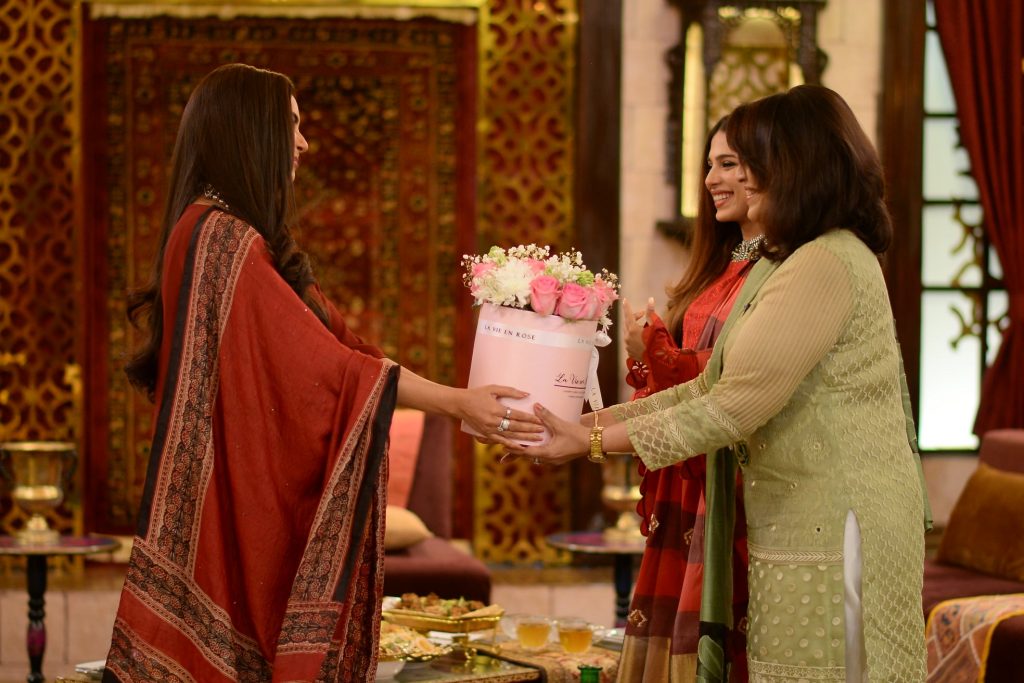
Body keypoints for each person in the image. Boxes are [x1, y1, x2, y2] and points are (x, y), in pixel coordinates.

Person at [103, 63, 540, 683]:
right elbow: (330, 373)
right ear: (249, 132)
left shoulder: (217, 233)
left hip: (215, 511)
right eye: (291, 125)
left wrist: (464, 399)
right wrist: (456, 404)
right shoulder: (221, 240)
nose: (303, 142)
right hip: (222, 518)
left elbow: (342, 346)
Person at [511, 85, 931, 682]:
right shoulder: (779, 262)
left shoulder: (827, 261)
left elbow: (731, 407)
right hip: (793, 512)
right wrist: (582, 428)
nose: (716, 178)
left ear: (791, 164)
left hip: (841, 518)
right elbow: (710, 387)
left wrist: (589, 443)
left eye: (741, 161)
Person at [617, 117, 761, 682]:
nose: (710, 179)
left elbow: (728, 384)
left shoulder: (777, 272)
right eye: (709, 164)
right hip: (691, 478)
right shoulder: (727, 265)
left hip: (731, 478)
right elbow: (689, 379)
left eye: (727, 164)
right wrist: (646, 352)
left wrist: (655, 347)